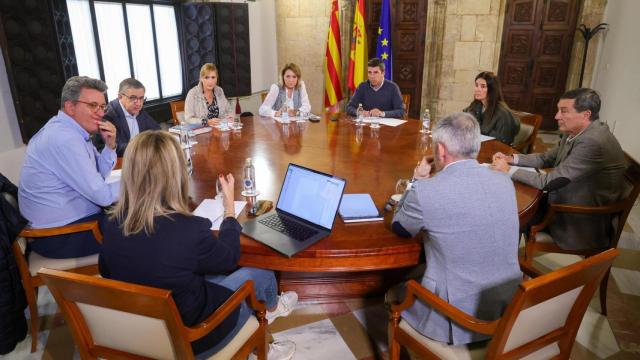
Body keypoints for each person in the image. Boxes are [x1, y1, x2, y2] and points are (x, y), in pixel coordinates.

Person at [98, 131, 297, 359]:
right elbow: (229, 259)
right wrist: (229, 210)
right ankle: (269, 322)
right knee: (261, 273)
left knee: (203, 274)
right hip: (195, 338)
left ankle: (271, 308)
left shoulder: (111, 223)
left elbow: (106, 270)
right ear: (176, 174)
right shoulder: (188, 229)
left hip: (142, 333)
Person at [391, 112, 521, 345]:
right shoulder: (504, 180)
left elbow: (400, 227)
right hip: (508, 305)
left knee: (394, 292)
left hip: (456, 316)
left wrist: (416, 180)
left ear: (441, 150)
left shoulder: (427, 191)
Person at [493, 88, 627, 250]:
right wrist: (512, 159)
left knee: (509, 215)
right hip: (564, 199)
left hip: (577, 218)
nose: (557, 116)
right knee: (510, 205)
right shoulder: (576, 132)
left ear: (585, 114)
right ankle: (507, 258)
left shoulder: (593, 142)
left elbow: (550, 182)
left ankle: (504, 263)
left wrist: (508, 170)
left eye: (563, 111)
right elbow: (546, 158)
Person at [18, 76, 118, 259]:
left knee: (140, 212)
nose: (101, 113)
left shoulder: (71, 131)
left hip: (71, 224)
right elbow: (103, 196)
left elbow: (99, 177)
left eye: (102, 107)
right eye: (92, 105)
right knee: (146, 224)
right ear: (70, 107)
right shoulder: (64, 139)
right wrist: (140, 183)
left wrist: (110, 147)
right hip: (59, 236)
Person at [94, 78, 159, 156]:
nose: (138, 103)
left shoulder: (139, 110)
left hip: (140, 158)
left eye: (141, 98)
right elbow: (110, 147)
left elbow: (157, 131)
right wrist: (141, 147)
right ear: (120, 97)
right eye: (133, 98)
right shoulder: (108, 115)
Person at [463, 71, 520, 145]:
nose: (477, 89)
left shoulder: (502, 113)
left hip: (496, 151)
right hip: (477, 145)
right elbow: (464, 119)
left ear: (492, 89)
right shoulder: (476, 104)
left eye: (483, 86)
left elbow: (504, 141)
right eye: (476, 85)